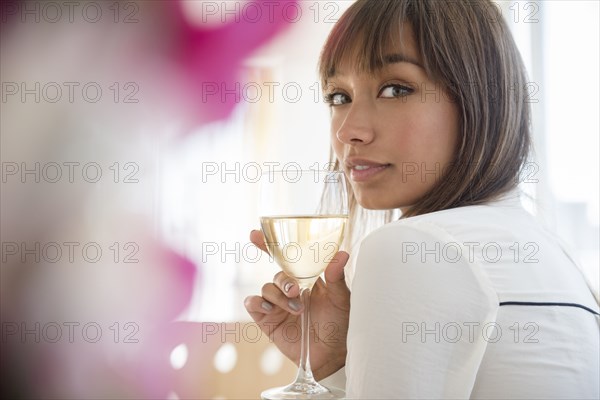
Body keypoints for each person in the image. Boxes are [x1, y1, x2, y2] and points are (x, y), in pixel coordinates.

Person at [244, 0, 600, 398]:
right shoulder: (551, 252)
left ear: (481, 97)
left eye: (395, 89)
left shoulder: (413, 247)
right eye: (338, 96)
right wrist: (333, 364)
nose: (348, 131)